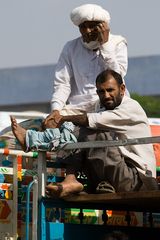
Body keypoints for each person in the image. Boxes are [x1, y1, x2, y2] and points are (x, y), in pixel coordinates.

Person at [11, 69, 158, 197]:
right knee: (78, 131)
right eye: (101, 91)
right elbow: (77, 110)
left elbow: (92, 120)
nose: (106, 95)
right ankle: (71, 180)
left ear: (122, 89)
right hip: (110, 177)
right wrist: (55, 116)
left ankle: (36, 143)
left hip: (137, 180)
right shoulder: (99, 105)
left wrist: (62, 119)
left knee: (94, 131)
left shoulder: (131, 108)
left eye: (110, 90)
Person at [43, 3, 128, 128]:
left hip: (110, 104)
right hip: (78, 108)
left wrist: (105, 46)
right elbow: (62, 83)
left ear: (103, 27)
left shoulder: (117, 43)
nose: (87, 31)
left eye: (93, 27)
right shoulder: (70, 48)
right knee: (48, 124)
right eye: (83, 27)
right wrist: (56, 109)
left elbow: (117, 77)